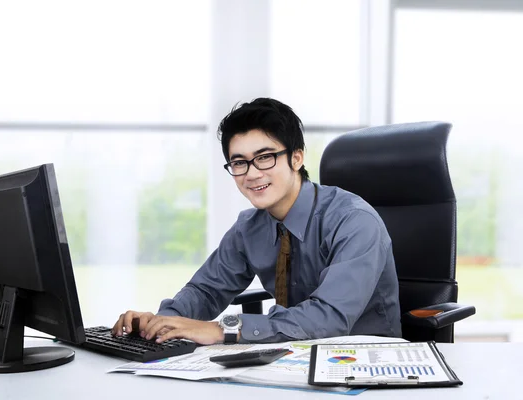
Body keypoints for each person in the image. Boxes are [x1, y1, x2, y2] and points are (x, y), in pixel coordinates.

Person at [112, 98, 401, 344]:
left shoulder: (354, 221)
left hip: (365, 364)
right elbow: (206, 290)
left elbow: (329, 319)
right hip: (290, 360)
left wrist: (221, 329)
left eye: (265, 158)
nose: (251, 173)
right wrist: (161, 323)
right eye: (239, 162)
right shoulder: (250, 227)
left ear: (297, 158)